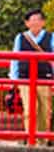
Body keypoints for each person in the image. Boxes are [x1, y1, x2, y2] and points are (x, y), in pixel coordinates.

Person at [14, 10, 54, 139]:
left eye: (38, 20)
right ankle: (31, 139)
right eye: (32, 20)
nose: (35, 22)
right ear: (27, 23)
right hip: (25, 78)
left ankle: (42, 140)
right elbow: (15, 58)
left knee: (45, 111)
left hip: (45, 78)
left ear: (43, 22)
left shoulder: (51, 37)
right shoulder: (20, 37)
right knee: (30, 110)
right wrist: (14, 79)